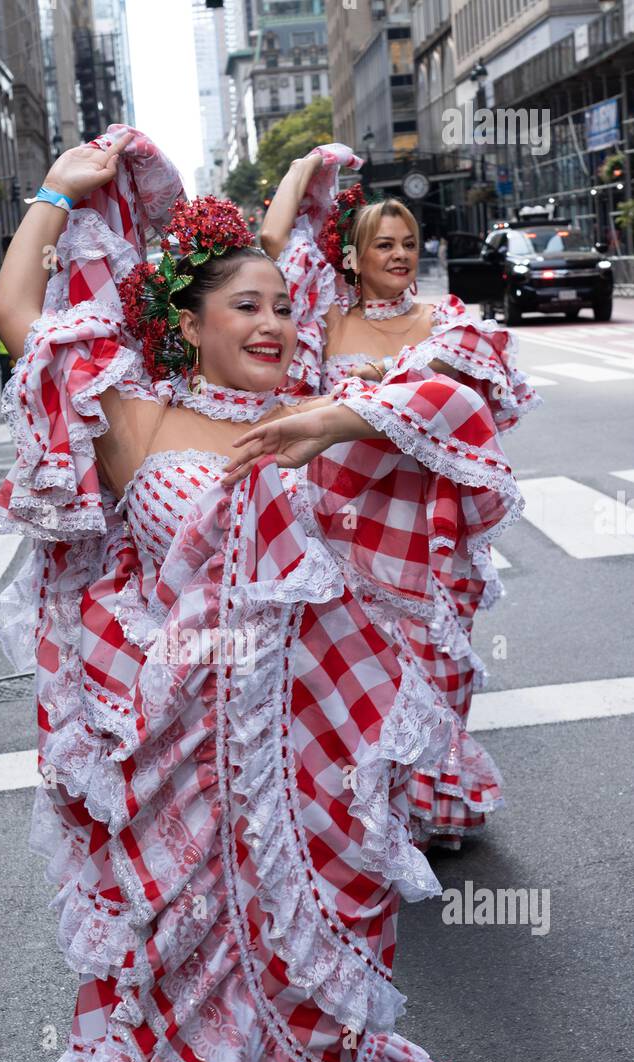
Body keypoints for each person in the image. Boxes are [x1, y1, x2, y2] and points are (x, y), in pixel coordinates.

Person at [0, 128, 524, 1062]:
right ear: (188, 323)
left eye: (286, 304)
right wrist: (50, 192)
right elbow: (16, 313)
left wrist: (334, 423)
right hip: (170, 776)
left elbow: (470, 382)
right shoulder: (129, 418)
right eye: (249, 305)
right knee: (169, 995)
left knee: (280, 983)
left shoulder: (310, 409)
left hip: (297, 775)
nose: (277, 324)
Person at [260, 147, 542, 851]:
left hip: (424, 527)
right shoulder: (323, 319)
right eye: (382, 244)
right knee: (361, 671)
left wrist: (394, 381)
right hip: (342, 527)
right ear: (351, 259)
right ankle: (365, 808)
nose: (399, 254)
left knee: (433, 662)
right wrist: (305, 168)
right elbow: (272, 243)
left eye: (409, 243)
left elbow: (467, 396)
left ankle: (431, 805)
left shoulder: (447, 321)